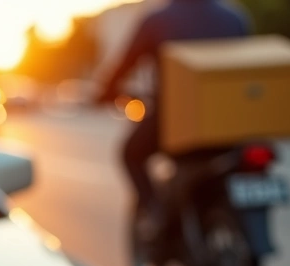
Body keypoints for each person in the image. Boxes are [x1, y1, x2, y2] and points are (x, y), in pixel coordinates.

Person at [97, 0, 251, 227]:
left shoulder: (156, 20)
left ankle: (154, 212)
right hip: (230, 122)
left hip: (175, 121)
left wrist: (105, 92)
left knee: (131, 153)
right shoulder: (235, 17)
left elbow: (125, 63)